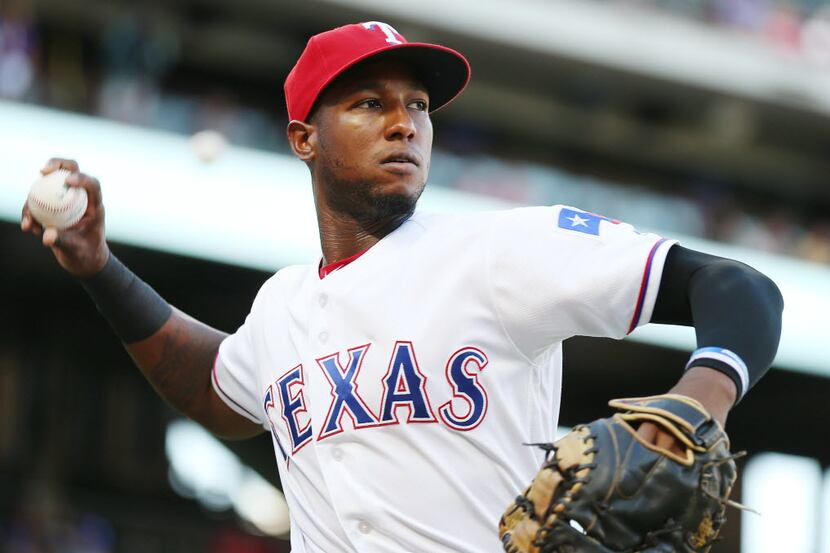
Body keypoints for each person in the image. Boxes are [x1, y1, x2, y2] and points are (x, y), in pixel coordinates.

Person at [21, 21, 783, 553]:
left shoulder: (498, 248)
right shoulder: (283, 304)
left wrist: (699, 398)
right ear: (303, 138)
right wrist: (98, 267)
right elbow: (221, 391)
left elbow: (737, 287)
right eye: (369, 103)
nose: (404, 123)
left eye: (417, 105)